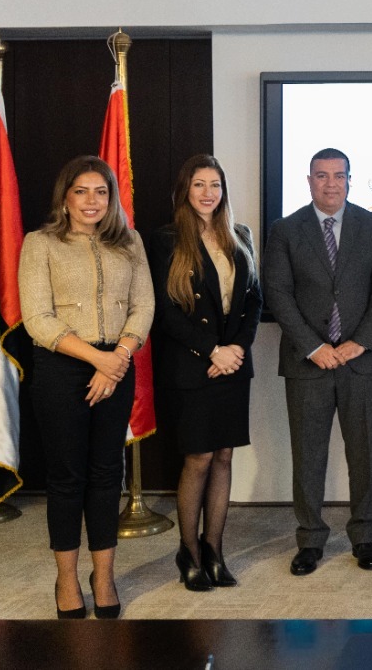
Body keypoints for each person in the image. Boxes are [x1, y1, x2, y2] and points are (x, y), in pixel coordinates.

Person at [19, 155, 154, 620]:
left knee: (106, 474)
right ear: (65, 198)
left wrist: (117, 358)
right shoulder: (40, 243)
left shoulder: (130, 242)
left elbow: (143, 306)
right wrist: (99, 360)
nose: (91, 201)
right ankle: (66, 579)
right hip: (62, 368)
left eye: (101, 191)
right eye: (81, 191)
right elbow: (37, 319)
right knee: (67, 477)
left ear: (111, 198)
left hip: (117, 363)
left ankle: (104, 577)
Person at [262, 147, 372, 576]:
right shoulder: (286, 230)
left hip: (362, 361)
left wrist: (361, 341)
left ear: (349, 180)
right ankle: (310, 540)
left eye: (339, 175)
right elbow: (278, 293)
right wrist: (313, 346)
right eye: (321, 176)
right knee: (308, 455)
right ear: (309, 181)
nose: (331, 184)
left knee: (365, 453)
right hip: (308, 363)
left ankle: (365, 537)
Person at [149, 155, 261, 591]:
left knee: (224, 456)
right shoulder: (166, 240)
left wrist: (236, 349)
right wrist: (212, 350)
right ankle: (189, 552)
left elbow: (254, 301)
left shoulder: (240, 235)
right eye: (199, 184)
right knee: (198, 459)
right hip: (193, 366)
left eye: (215, 184)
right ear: (185, 190)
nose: (208, 193)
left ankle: (214, 550)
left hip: (233, 364)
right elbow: (166, 312)